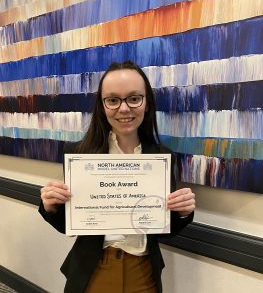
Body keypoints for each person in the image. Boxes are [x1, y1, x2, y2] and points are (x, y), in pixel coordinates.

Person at [39, 61, 195, 293]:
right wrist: (50, 206)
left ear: (147, 103)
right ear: (102, 106)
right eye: (113, 100)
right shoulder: (80, 155)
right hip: (93, 270)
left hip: (144, 273)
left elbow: (164, 227)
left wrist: (183, 212)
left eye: (134, 98)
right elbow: (71, 224)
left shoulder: (161, 157)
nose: (124, 109)